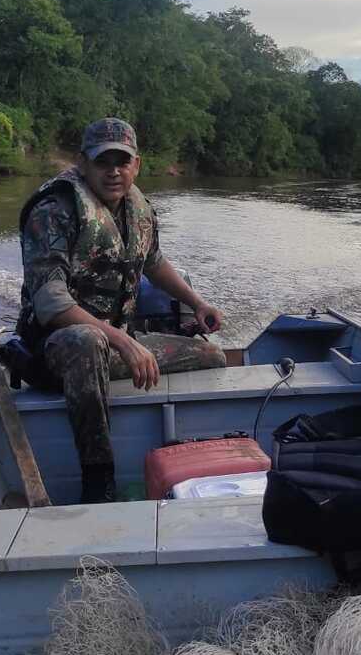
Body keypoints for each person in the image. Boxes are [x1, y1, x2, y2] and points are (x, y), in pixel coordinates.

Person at [15, 118, 227, 502]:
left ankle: (190, 457)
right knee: (88, 340)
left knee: (211, 356)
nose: (113, 171)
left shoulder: (138, 206)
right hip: (54, 350)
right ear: (83, 163)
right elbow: (49, 300)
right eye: (103, 161)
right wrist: (122, 342)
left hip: (114, 342)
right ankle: (99, 480)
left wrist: (198, 304)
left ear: (137, 165)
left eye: (122, 161)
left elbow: (154, 262)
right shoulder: (54, 209)